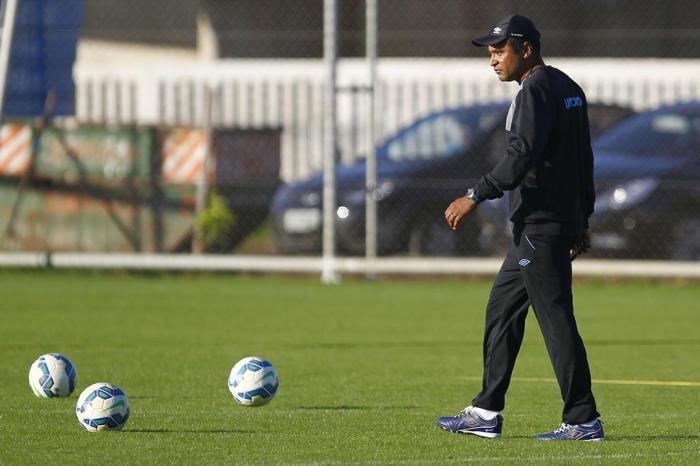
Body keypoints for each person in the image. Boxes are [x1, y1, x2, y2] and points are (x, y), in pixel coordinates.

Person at [437, 14, 603, 441]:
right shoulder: (568, 87)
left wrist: (474, 194)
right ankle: (486, 411)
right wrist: (581, 219)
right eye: (490, 52)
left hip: (539, 224)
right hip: (550, 223)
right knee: (502, 310)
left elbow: (520, 155)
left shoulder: (534, 91)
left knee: (556, 320)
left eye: (499, 50)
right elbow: (583, 160)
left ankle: (583, 419)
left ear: (525, 49)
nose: (492, 60)